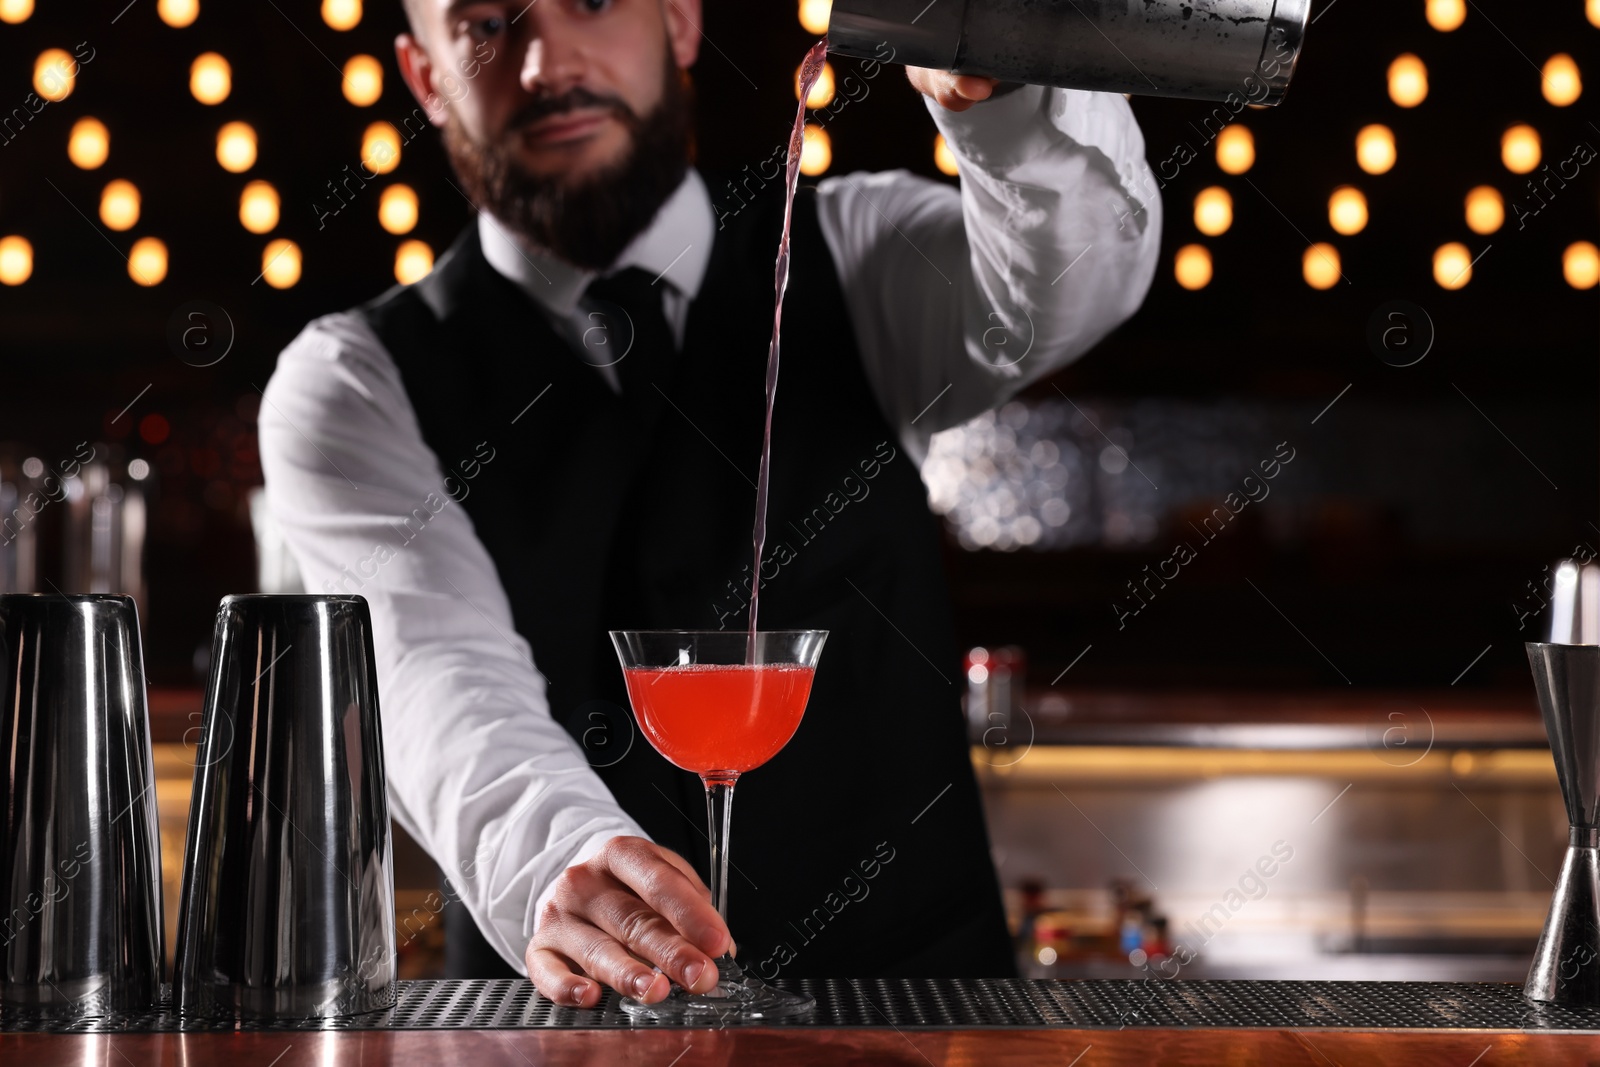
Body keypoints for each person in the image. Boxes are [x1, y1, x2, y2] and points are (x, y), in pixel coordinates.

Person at [259, 0, 1161, 1008]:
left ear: (680, 23)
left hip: (913, 1020)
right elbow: (437, 677)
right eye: (484, 22)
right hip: (569, 1025)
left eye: (594, 1)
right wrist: (570, 858)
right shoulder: (352, 381)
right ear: (425, 77)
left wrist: (1004, 79)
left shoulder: (854, 251)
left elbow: (1074, 281)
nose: (549, 60)